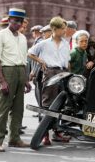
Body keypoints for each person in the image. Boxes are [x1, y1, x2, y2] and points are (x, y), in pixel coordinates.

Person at [0, 8, 32, 152]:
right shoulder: (0, 36)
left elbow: (24, 60)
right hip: (7, 71)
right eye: (15, 21)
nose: (18, 24)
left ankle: (14, 139)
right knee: (3, 108)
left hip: (20, 71)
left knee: (18, 109)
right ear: (9, 20)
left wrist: (26, 79)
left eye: (21, 21)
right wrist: (2, 81)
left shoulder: (22, 38)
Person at [28, 16, 70, 145]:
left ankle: (57, 132)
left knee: (60, 105)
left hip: (63, 73)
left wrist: (69, 74)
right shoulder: (44, 43)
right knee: (47, 105)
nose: (65, 31)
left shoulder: (65, 43)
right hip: (50, 73)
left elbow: (67, 61)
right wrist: (40, 61)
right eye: (63, 29)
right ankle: (44, 135)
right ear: (54, 29)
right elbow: (30, 52)